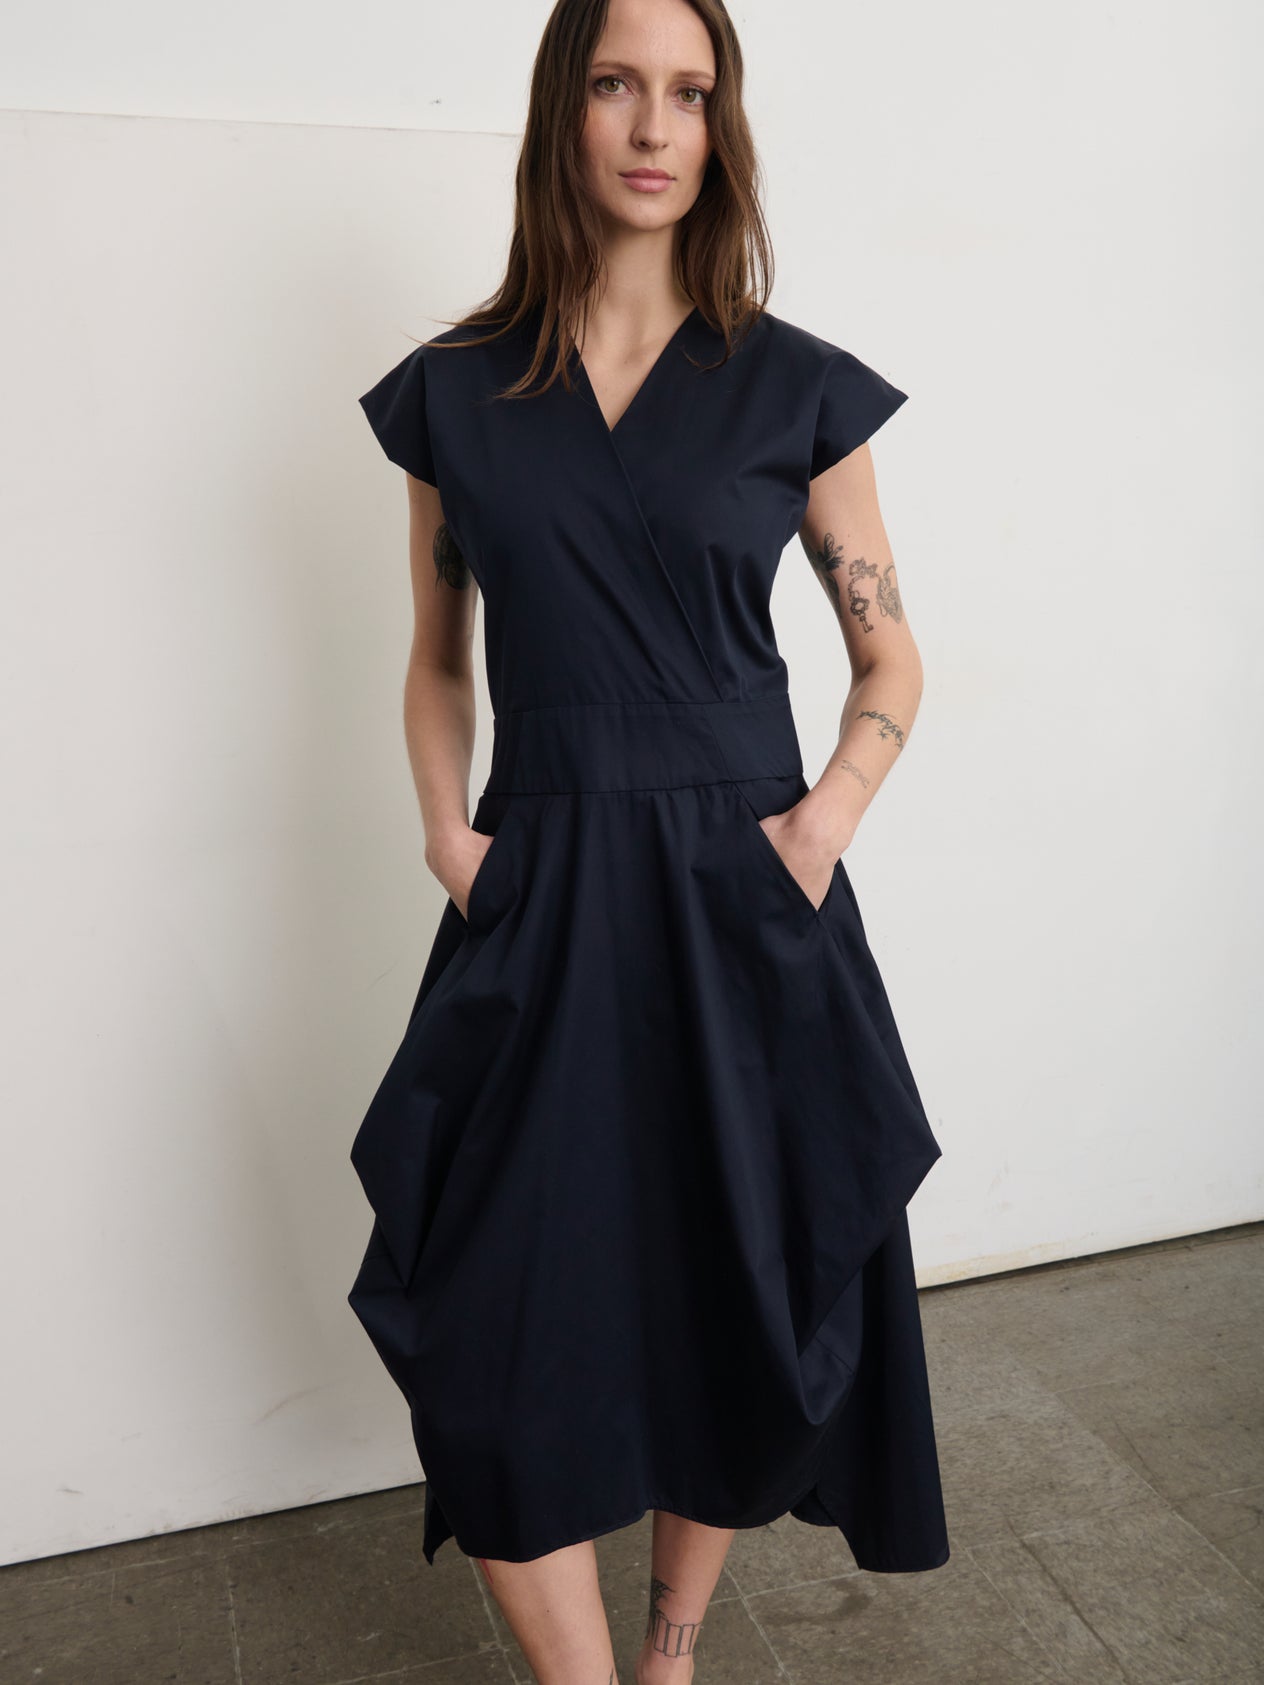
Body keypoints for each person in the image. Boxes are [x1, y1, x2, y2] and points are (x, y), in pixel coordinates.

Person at [348, 0, 949, 1680]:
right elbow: (435, 658)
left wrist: (820, 825)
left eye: (690, 91)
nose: (653, 123)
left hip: (740, 893)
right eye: (618, 82)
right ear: (567, 108)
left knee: (727, 1290)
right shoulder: (458, 394)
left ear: (721, 122)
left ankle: (671, 1645)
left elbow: (889, 654)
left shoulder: (796, 386)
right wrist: (444, 837)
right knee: (485, 1329)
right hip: (540, 887)